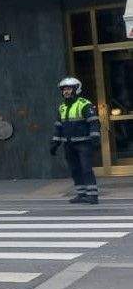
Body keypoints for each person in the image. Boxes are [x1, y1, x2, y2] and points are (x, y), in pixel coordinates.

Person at [50, 76, 101, 204]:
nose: (66, 92)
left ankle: (92, 195)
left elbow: (93, 122)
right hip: (69, 144)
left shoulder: (84, 104)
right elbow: (58, 126)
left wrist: (95, 138)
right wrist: (55, 143)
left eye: (68, 89)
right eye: (64, 89)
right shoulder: (62, 107)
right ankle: (81, 194)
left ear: (76, 89)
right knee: (75, 170)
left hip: (83, 143)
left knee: (86, 169)